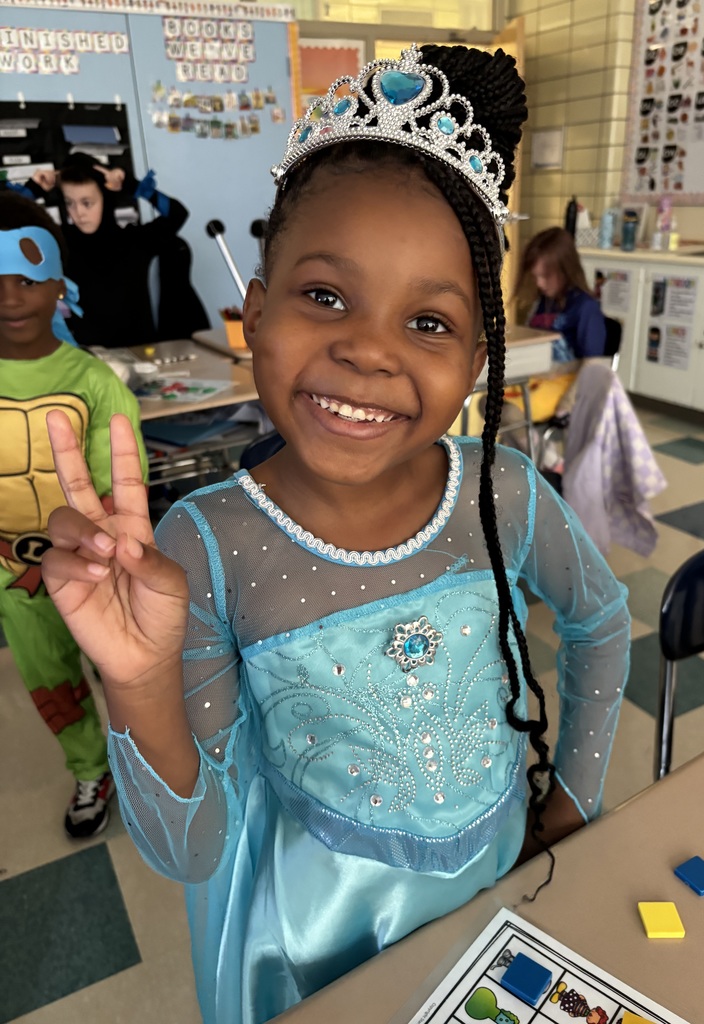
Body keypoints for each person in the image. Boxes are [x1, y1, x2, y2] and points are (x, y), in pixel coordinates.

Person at [41, 45, 630, 1024]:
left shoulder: (508, 492)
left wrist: (573, 798)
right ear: (254, 314)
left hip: (495, 886)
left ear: (479, 357)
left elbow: (603, 625)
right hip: (309, 947)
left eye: (430, 322)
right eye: (326, 296)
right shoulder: (201, 550)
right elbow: (190, 851)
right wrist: (139, 684)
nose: (367, 349)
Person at [0, 193, 149, 836]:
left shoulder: (94, 382)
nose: (10, 296)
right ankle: (91, 765)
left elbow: (121, 481)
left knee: (123, 669)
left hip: (95, 568)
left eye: (28, 278)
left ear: (59, 281)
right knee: (49, 678)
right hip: (13, 573)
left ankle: (150, 761)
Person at [28, 155, 207, 347]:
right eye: (70, 203)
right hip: (90, 356)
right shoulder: (61, 242)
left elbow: (177, 213)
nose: (78, 212)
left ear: (105, 200)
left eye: (87, 203)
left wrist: (131, 185)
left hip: (140, 353)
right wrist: (33, 188)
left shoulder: (134, 240)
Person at [501, 227, 607, 453]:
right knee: (488, 403)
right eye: (536, 276)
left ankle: (547, 462)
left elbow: (593, 365)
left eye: (545, 276)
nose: (539, 283)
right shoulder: (543, 302)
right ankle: (535, 456)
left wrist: (567, 404)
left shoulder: (585, 307)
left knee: (507, 413)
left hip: (567, 383)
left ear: (565, 269)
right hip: (539, 378)